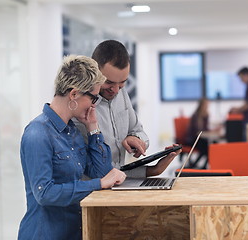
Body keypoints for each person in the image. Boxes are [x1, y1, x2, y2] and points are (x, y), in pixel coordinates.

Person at [18, 55, 126, 240]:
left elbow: (101, 172)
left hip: (73, 232)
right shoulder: (37, 133)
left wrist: (93, 128)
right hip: (45, 234)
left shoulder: (73, 131)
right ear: (74, 94)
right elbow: (44, 193)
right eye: (93, 98)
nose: (94, 105)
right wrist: (98, 185)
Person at [74, 40, 181, 178]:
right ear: (94, 72)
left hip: (117, 182)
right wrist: (151, 171)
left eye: (122, 82)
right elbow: (95, 169)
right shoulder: (80, 106)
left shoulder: (121, 93)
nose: (116, 90)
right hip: (92, 189)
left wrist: (135, 139)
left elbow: (139, 132)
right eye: (109, 82)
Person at [185, 98, 213, 169]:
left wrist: (213, 130)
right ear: (201, 105)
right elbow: (197, 131)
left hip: (201, 138)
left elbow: (205, 129)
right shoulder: (196, 116)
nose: (207, 107)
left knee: (213, 145)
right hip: (192, 139)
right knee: (206, 146)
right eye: (206, 105)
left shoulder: (206, 115)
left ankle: (199, 165)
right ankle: (198, 166)